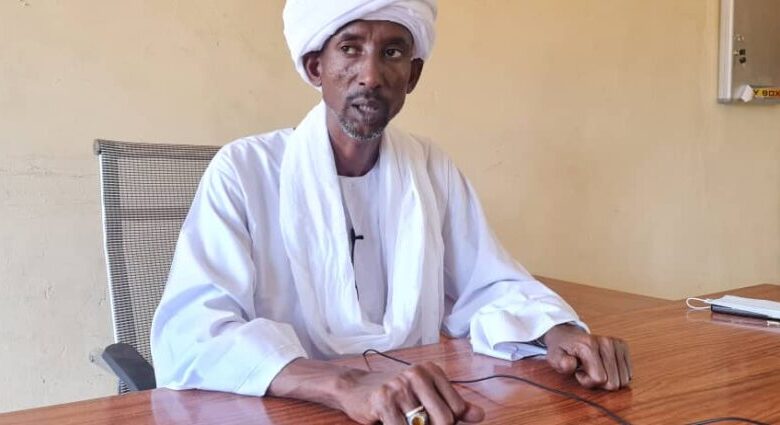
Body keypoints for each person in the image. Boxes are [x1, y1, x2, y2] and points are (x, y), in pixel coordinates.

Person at [150, 1, 632, 424]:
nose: (372, 76)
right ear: (316, 67)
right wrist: (343, 384)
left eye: (393, 52)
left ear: (413, 76)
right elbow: (193, 333)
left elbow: (487, 283)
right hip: (282, 413)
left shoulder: (431, 167)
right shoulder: (244, 170)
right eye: (350, 48)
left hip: (415, 408)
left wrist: (557, 331)